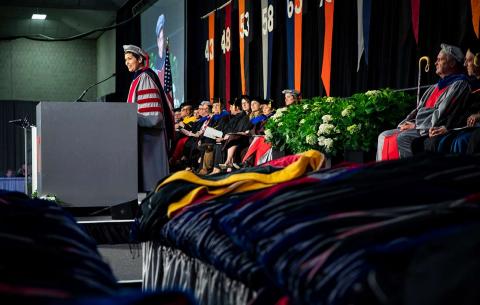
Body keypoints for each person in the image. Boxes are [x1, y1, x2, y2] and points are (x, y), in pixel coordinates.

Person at [377, 43, 470, 160]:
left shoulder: (459, 84)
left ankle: (408, 174)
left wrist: (417, 125)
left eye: (439, 60)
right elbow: (418, 109)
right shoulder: (435, 86)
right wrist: (407, 122)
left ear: (452, 63)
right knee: (383, 136)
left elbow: (441, 112)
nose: (435, 63)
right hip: (420, 125)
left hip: (430, 127)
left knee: (402, 138)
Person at [123, 44, 174, 192]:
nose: (126, 62)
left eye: (129, 58)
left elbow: (152, 117)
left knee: (154, 180)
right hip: (143, 134)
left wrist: (129, 119)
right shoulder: (138, 78)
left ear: (139, 59)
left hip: (151, 136)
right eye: (125, 59)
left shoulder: (145, 77)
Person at [421, 47, 480, 154]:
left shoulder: (461, 84)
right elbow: (460, 111)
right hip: (462, 126)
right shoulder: (473, 85)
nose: (465, 64)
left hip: (473, 128)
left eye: (469, 60)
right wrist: (446, 127)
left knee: (459, 141)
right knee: (434, 141)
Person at [154, 14, 166, 86]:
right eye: (161, 39)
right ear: (158, 41)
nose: (163, 41)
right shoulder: (154, 63)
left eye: (164, 38)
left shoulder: (169, 58)